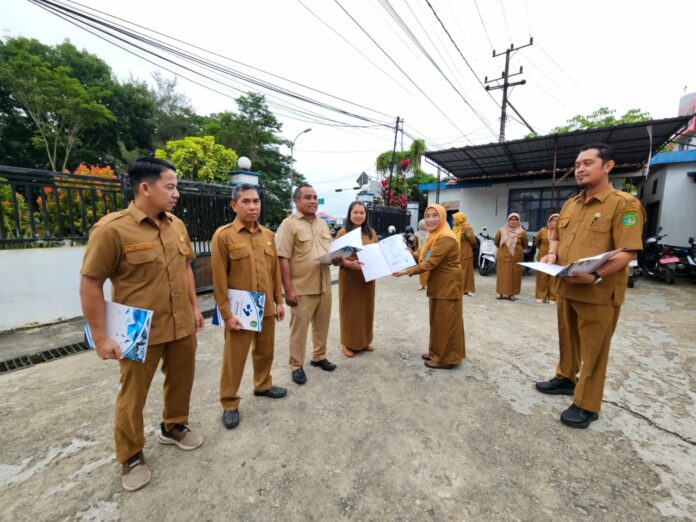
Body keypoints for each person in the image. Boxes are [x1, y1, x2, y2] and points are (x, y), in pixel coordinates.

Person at [79, 157, 204, 492]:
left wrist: (195, 308)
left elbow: (186, 268)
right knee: (132, 396)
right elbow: (91, 283)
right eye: (171, 186)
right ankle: (131, 454)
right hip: (137, 331)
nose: (176, 193)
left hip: (180, 324)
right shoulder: (112, 229)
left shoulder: (177, 225)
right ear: (145, 188)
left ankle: (174, 427)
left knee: (182, 380)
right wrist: (101, 336)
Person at [535, 143, 645, 429]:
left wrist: (596, 276)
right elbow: (556, 237)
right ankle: (565, 378)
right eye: (577, 164)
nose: (580, 169)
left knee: (595, 350)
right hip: (568, 285)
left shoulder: (624, 204)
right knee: (567, 338)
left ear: (607, 166)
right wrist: (551, 254)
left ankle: (587, 404)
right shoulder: (571, 203)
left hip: (598, 292)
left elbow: (628, 251)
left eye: (587, 163)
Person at [211, 183, 286, 431]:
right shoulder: (224, 236)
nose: (253, 206)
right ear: (234, 205)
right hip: (240, 309)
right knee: (235, 357)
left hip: (264, 305)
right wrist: (226, 314)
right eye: (246, 201)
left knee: (265, 351)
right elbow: (219, 279)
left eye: (256, 201)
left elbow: (275, 271)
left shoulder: (268, 235)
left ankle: (263, 384)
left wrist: (279, 301)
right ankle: (229, 402)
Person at [275, 183, 341, 385]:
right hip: (302, 288)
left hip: (324, 284)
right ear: (296, 201)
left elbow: (327, 252)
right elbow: (282, 258)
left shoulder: (322, 224)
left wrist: (338, 258)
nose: (312, 201)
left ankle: (319, 356)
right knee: (299, 329)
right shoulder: (289, 225)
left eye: (314, 197)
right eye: (307, 197)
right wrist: (288, 290)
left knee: (322, 325)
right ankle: (296, 365)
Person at [394, 204, 465, 369]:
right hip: (439, 284)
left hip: (447, 285)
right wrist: (412, 254)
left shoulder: (445, 237)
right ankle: (436, 352)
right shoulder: (435, 235)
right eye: (427, 216)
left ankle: (446, 359)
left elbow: (431, 262)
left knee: (446, 322)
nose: (430, 220)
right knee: (438, 321)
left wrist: (406, 271)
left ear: (442, 217)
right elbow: (426, 255)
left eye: (435, 216)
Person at [336, 201, 378, 357]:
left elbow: (377, 251)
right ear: (350, 214)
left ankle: (365, 341)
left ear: (366, 215)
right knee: (350, 312)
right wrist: (348, 263)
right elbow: (336, 257)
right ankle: (348, 343)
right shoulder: (343, 232)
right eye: (356, 212)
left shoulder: (371, 233)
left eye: (362, 212)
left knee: (366, 311)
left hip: (368, 279)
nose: (359, 215)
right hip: (350, 280)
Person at [494, 213, 528, 300]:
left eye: (515, 220)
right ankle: (500, 292)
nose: (513, 221)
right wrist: (505, 250)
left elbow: (525, 244)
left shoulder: (522, 232)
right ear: (508, 221)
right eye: (511, 219)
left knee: (514, 275)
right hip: (503, 257)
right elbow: (496, 242)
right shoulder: (501, 231)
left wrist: (516, 250)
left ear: (518, 221)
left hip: (516, 258)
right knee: (502, 275)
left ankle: (511, 294)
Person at [534, 213, 560, 304]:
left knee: (554, 278)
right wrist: (543, 251)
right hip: (542, 257)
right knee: (542, 277)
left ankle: (552, 297)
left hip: (556, 258)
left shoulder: (562, 232)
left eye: (557, 220)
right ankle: (541, 296)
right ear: (549, 221)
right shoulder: (543, 231)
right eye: (553, 220)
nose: (554, 222)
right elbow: (537, 242)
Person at [452, 212, 477, 296]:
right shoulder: (455, 228)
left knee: (467, 272)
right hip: (456, 253)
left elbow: (472, 239)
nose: (453, 220)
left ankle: (469, 289)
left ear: (459, 219)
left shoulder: (466, 227)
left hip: (465, 253)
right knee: (458, 271)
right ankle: (460, 288)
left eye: (454, 219)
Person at [413, 219, 428, 290]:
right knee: (428, 267)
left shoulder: (417, 233)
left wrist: (418, 250)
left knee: (422, 267)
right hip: (429, 251)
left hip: (421, 251)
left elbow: (415, 243)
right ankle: (425, 283)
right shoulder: (430, 233)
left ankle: (422, 284)